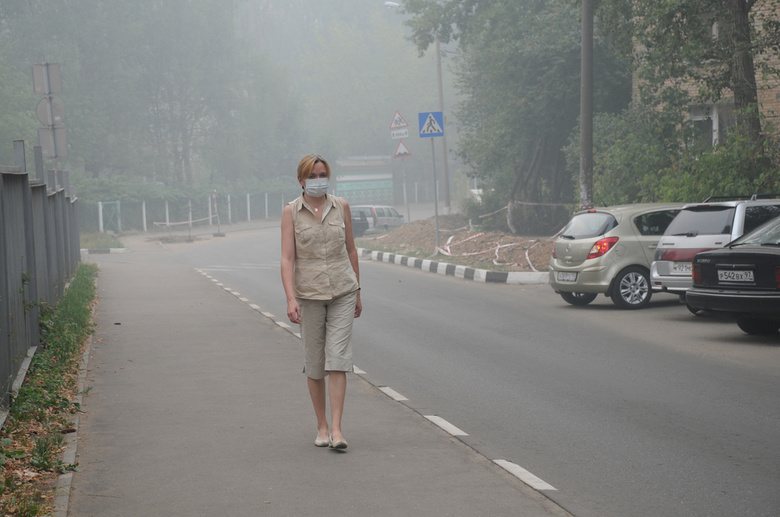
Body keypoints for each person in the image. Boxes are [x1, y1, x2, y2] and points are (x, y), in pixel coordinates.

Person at [280, 154, 362, 450]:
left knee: (338, 360)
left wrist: (358, 290)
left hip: (343, 290)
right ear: (301, 180)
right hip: (309, 296)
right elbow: (287, 258)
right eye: (312, 176)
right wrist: (291, 298)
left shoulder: (342, 207)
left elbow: (351, 249)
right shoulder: (291, 212)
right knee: (315, 365)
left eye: (322, 174)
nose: (318, 180)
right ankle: (322, 426)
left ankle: (338, 430)